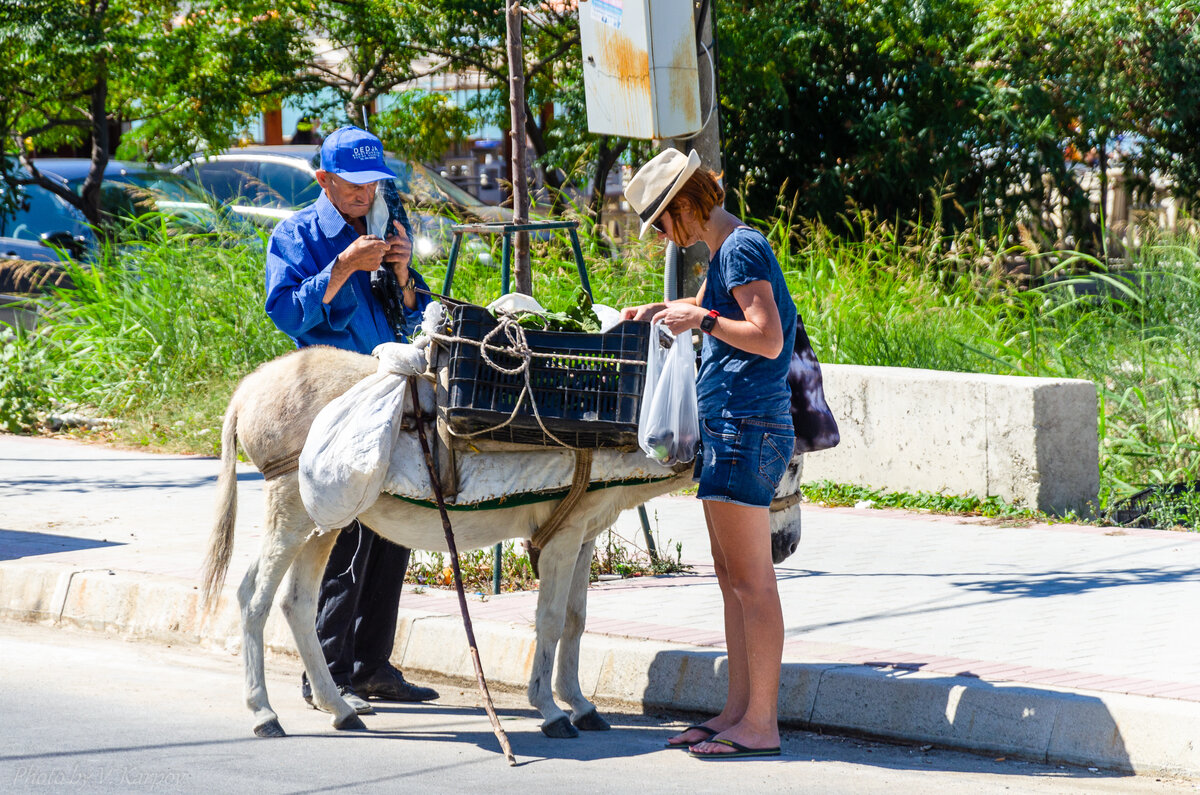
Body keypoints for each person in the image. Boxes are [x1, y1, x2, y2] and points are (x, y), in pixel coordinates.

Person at [621, 148, 796, 760]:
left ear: (688, 204)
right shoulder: (724, 253)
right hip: (730, 425)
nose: (666, 236)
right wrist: (662, 314)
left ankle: (762, 724)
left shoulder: (742, 248)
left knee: (752, 582)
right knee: (731, 580)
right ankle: (737, 710)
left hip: (747, 426)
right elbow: (710, 312)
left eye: (665, 221)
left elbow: (768, 338)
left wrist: (704, 320)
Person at [265, 125, 438, 715]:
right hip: (330, 399)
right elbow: (286, 310)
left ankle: (373, 664)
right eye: (355, 186)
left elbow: (414, 315)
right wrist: (341, 267)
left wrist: (403, 276)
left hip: (388, 389)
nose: (367, 195)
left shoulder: (387, 224)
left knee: (394, 525)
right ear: (325, 181)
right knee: (341, 531)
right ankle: (327, 670)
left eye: (375, 184)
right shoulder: (298, 235)